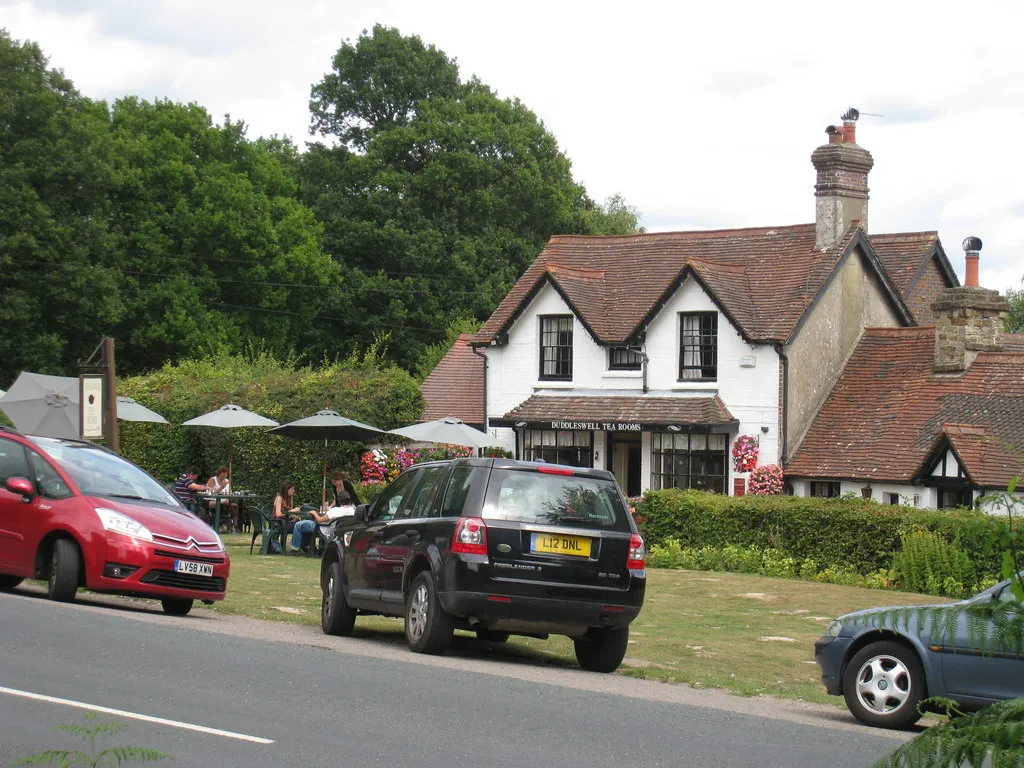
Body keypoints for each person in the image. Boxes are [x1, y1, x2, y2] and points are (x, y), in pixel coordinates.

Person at [293, 490, 355, 555]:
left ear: (339, 500)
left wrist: (314, 513)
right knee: (307, 524)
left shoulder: (335, 510)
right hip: (342, 532)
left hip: (324, 530)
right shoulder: (353, 511)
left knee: (298, 524)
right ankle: (307, 547)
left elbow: (320, 520)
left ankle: (295, 549)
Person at [206, 465, 239, 533]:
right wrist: (221, 487)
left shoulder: (227, 481)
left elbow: (229, 492)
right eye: (222, 475)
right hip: (213, 500)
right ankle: (216, 525)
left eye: (225, 475)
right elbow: (210, 492)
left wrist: (227, 498)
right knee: (213, 504)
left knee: (234, 506)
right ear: (219, 474)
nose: (224, 477)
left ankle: (234, 526)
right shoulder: (212, 480)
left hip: (224, 501)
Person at [273, 481, 302, 552]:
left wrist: (295, 516)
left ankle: (303, 546)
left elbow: (289, 513)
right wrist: (292, 511)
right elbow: (278, 514)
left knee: (302, 525)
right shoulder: (279, 498)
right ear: (286, 490)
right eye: (292, 489)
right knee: (299, 527)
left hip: (287, 521)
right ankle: (296, 548)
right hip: (279, 523)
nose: (294, 491)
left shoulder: (289, 498)